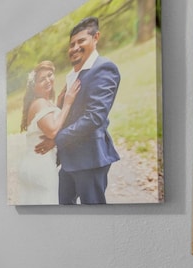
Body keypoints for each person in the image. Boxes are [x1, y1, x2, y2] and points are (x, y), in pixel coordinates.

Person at [39, 16, 121, 204]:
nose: (74, 47)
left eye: (81, 41)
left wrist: (55, 139)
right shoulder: (74, 74)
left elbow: (94, 117)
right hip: (69, 159)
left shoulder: (103, 68)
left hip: (89, 159)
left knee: (93, 216)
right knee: (64, 210)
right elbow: (70, 114)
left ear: (96, 37)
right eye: (72, 44)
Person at [18, 60, 80, 204]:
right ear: (34, 87)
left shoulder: (42, 103)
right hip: (41, 165)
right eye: (41, 79)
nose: (47, 80)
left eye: (50, 75)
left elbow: (49, 119)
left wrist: (58, 104)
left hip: (31, 164)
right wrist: (67, 103)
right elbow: (52, 131)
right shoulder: (39, 103)